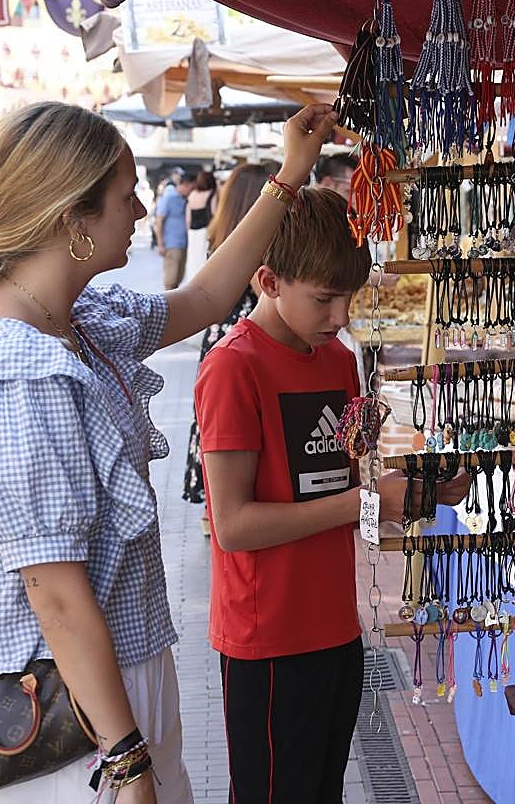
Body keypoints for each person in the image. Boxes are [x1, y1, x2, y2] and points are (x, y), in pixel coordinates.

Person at [0, 100, 339, 803]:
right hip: (60, 713)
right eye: (125, 196)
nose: (141, 210)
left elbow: (206, 296)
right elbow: (57, 595)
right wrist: (128, 761)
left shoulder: (76, 322)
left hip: (107, 686)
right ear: (71, 221)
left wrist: (291, 174)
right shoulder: (20, 372)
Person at [195, 186, 470, 803]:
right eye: (324, 299)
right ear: (269, 281)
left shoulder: (339, 360)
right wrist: (367, 504)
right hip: (267, 638)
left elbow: (356, 476)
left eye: (350, 297)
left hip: (336, 627)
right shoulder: (233, 367)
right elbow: (232, 525)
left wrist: (422, 487)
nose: (341, 316)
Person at [182, 164, 269, 534]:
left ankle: (211, 505)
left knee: (215, 419)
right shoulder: (255, 244)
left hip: (219, 334)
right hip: (244, 334)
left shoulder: (222, 237)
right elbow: (265, 295)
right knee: (237, 418)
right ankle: (226, 505)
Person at [154, 171, 193, 289]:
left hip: (183, 243)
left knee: (179, 277)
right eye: (190, 188)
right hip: (171, 244)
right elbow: (159, 221)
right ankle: (167, 300)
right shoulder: (169, 197)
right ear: (185, 184)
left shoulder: (184, 199)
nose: (191, 191)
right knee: (171, 279)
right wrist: (160, 244)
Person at [183, 170, 216, 281]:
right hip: (205, 230)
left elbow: (188, 219)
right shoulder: (212, 193)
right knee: (203, 257)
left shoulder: (192, 195)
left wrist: (189, 232)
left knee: (193, 257)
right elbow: (214, 212)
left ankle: (192, 280)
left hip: (192, 232)